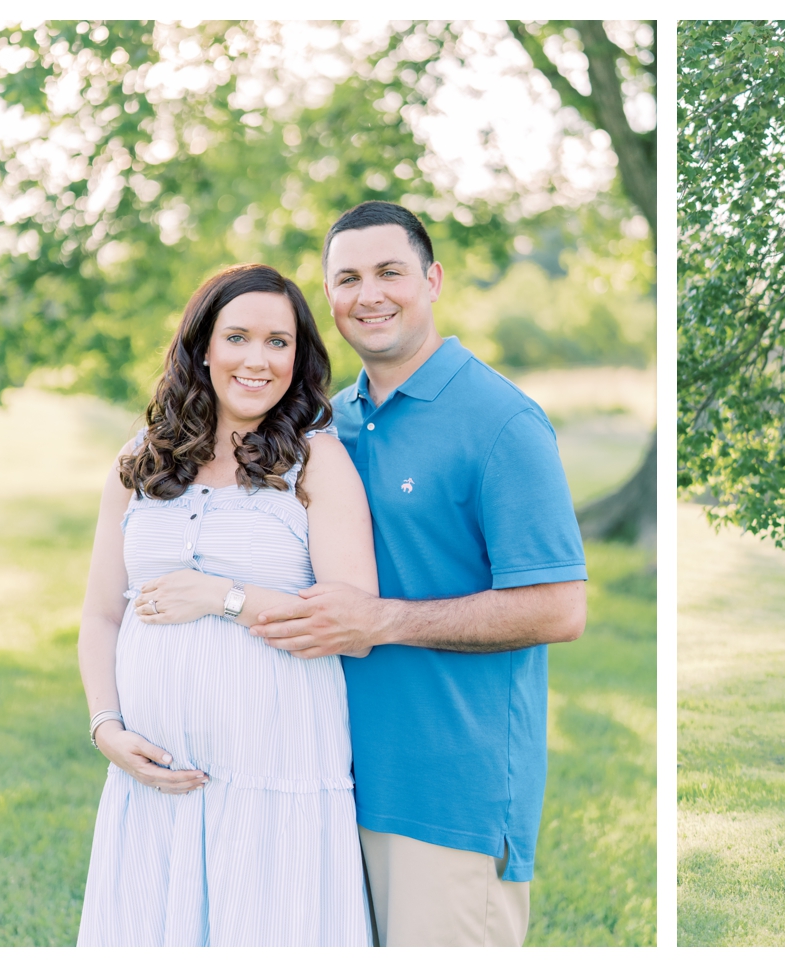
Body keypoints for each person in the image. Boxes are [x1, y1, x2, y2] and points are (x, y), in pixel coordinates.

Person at [248, 201, 588, 946]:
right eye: (348, 278)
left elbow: (560, 607)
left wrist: (384, 619)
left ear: (432, 280)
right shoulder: (327, 424)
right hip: (333, 782)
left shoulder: (502, 421)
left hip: (449, 799)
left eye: (389, 272)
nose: (369, 294)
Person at [75, 264, 378, 945]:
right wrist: (106, 728)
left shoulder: (315, 461)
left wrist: (223, 597)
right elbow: (100, 614)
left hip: (278, 774)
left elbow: (354, 626)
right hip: (152, 780)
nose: (256, 359)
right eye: (237, 336)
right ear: (202, 347)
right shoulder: (139, 462)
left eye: (278, 341)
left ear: (298, 358)